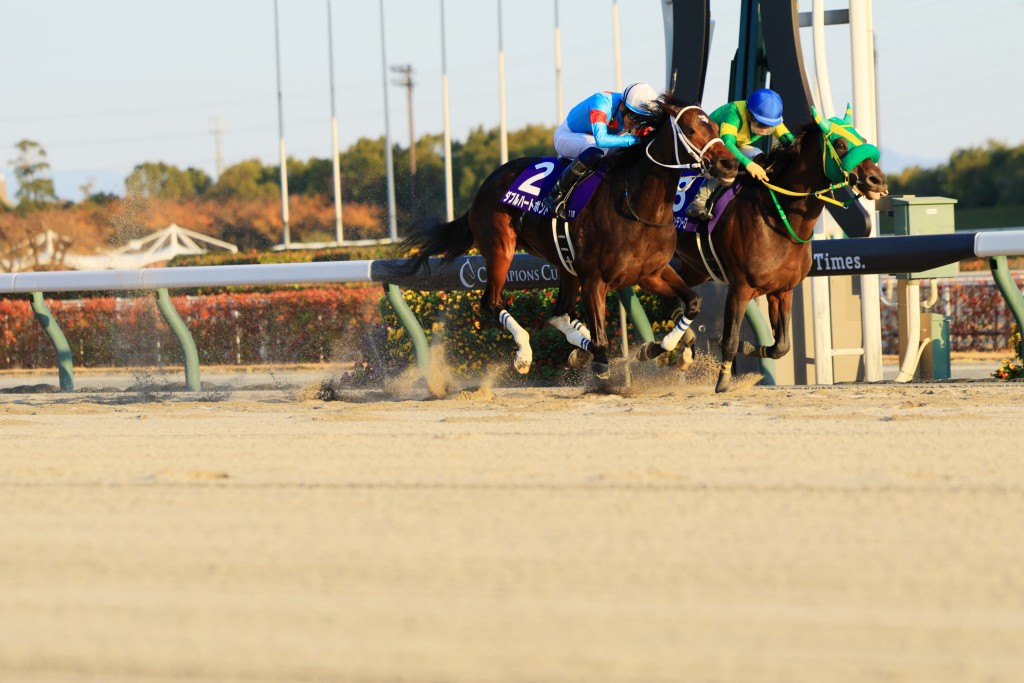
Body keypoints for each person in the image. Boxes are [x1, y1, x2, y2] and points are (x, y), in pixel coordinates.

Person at [539, 82, 659, 220]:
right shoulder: (602, 101)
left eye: (642, 120)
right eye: (635, 117)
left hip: (593, 140)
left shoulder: (630, 113)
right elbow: (601, 139)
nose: (636, 124)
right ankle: (555, 194)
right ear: (622, 106)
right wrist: (636, 140)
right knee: (598, 148)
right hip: (566, 136)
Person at [685, 87, 796, 221]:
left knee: (758, 155)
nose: (763, 130)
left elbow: (790, 142)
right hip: (711, 147)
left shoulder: (769, 117)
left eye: (769, 127)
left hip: (734, 145)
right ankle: (698, 202)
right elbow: (727, 145)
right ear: (749, 113)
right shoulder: (733, 113)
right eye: (760, 124)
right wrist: (749, 165)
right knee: (729, 162)